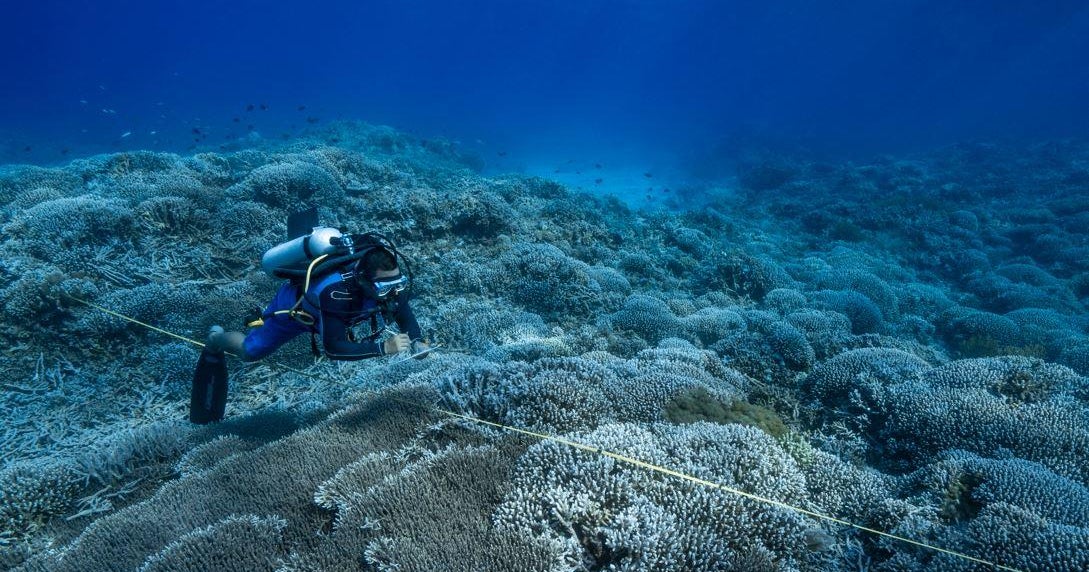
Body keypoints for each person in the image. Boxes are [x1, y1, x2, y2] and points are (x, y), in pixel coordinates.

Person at [191, 224, 430, 424]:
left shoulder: (390, 284)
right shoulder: (337, 293)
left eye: (399, 283)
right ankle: (216, 338)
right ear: (364, 281)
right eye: (386, 287)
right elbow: (334, 348)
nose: (395, 292)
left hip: (334, 315)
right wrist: (383, 348)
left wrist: (416, 339)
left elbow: (403, 312)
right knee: (250, 351)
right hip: (295, 312)